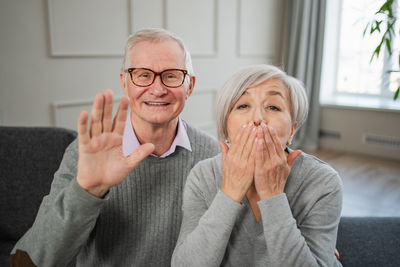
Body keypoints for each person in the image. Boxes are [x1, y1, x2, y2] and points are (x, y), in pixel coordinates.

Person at [10, 28, 219, 266]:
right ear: (125, 83)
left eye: (171, 75)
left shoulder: (212, 155)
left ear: (189, 86)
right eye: (142, 75)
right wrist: (88, 190)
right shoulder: (84, 153)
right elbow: (27, 261)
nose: (158, 89)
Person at [171, 64, 343, 266]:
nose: (258, 119)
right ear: (226, 128)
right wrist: (230, 192)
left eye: (273, 107)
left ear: (292, 131)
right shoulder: (203, 176)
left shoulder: (322, 181)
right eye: (243, 106)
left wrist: (273, 195)